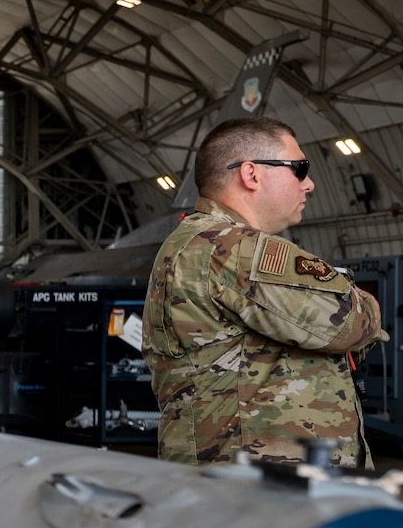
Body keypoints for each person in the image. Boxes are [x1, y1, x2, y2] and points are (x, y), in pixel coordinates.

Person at [143, 117, 385, 468]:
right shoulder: (234, 249)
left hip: (238, 476)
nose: (310, 184)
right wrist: (365, 305)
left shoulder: (197, 242)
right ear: (251, 174)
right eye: (299, 169)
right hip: (266, 482)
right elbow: (349, 322)